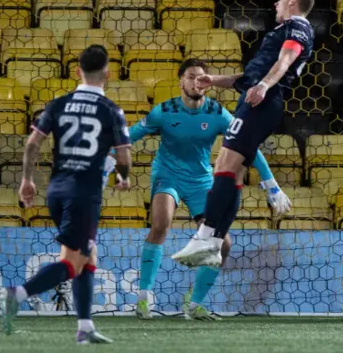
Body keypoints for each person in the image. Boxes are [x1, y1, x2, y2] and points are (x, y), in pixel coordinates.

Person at [103, 58, 290, 320]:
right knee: (161, 224)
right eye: (190, 76)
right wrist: (108, 160)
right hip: (167, 175)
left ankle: (194, 302)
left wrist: (271, 184)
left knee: (223, 243)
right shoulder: (164, 111)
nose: (196, 82)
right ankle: (143, 299)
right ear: (181, 81)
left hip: (201, 181)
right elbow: (129, 136)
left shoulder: (218, 113)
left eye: (201, 77)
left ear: (208, 83)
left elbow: (249, 146)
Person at [170, 0, 315, 267]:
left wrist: (263, 85)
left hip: (262, 102)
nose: (276, 4)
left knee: (224, 167)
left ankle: (206, 237)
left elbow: (285, 60)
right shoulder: (285, 30)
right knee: (232, 174)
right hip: (258, 100)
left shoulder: (297, 28)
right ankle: (212, 241)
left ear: (293, 2)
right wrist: (215, 80)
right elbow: (249, 77)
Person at [1, 45, 132, 344]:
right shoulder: (111, 110)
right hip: (84, 195)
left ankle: (85, 327)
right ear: (108, 73)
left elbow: (32, 144)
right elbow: (123, 157)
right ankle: (17, 294)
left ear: (77, 71)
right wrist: (123, 178)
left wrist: (26, 181)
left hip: (57, 190)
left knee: (87, 255)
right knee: (73, 263)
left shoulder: (58, 103)